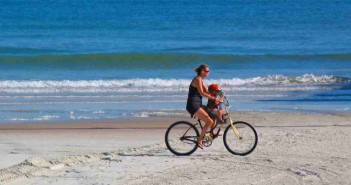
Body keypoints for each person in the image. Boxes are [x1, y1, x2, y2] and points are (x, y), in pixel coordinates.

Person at [186, 64, 220, 149]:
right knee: (209, 122)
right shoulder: (197, 79)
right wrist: (213, 98)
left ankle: (211, 134)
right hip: (193, 105)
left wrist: (219, 93)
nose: (208, 72)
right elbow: (202, 93)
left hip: (198, 104)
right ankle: (199, 140)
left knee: (213, 116)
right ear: (202, 71)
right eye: (207, 71)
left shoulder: (200, 79)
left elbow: (207, 91)